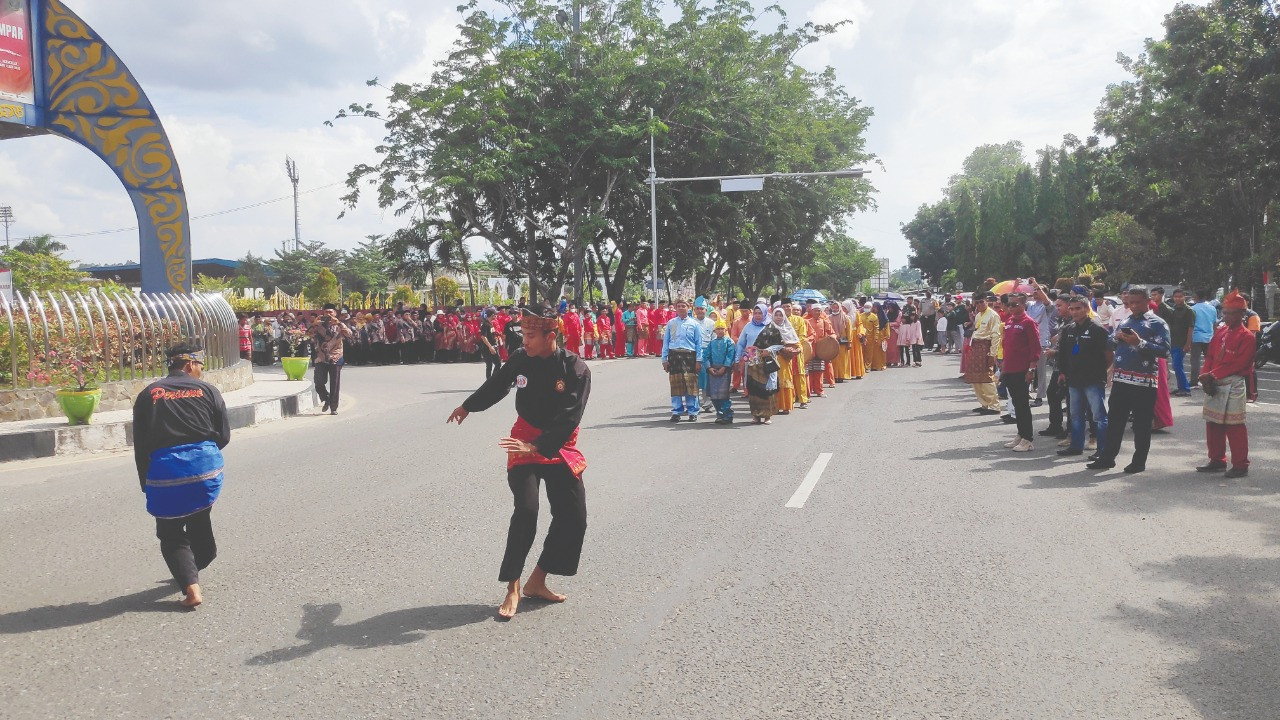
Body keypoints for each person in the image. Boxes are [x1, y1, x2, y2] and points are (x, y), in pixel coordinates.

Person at [447, 304, 591, 619]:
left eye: (529, 335)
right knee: (526, 511)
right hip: (521, 441)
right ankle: (512, 585)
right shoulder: (520, 360)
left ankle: (537, 580)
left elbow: (570, 417)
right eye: (523, 334)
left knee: (573, 517)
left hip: (556, 446)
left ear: (550, 335)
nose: (523, 340)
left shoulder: (576, 370)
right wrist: (468, 406)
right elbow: (497, 386)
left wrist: (537, 446)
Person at [131, 341, 231, 608]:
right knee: (200, 523)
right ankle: (196, 565)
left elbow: (141, 445)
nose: (201, 370)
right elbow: (223, 436)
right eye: (200, 365)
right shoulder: (208, 390)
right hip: (205, 471)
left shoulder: (148, 394)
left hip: (166, 474)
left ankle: (191, 587)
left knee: (170, 532)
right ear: (190, 364)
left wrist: (146, 483)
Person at [1087, 287, 1170, 473]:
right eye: (1130, 302)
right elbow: (1108, 343)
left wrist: (1139, 343)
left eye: (1137, 302)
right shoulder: (1126, 320)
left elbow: (1165, 351)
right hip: (1121, 379)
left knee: (1141, 425)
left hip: (1144, 382)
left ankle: (1139, 461)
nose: (1133, 306)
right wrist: (1116, 337)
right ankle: (1107, 457)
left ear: (1148, 301)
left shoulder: (1158, 323)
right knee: (1115, 422)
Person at [1197, 290, 1255, 478]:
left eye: (1230, 312)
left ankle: (1240, 464)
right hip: (1214, 382)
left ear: (1241, 314)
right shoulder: (1221, 331)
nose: (1226, 316)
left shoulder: (1247, 336)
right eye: (1225, 312)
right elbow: (1210, 356)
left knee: (1235, 426)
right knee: (1213, 423)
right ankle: (1217, 460)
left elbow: (1241, 364)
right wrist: (1204, 374)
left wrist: (1211, 375)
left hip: (1233, 384)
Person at [999, 293, 1042, 452]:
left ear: (1023, 305)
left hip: (1022, 370)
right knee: (1016, 404)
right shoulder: (1009, 322)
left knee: (1023, 405)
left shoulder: (1029, 323)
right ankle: (1021, 434)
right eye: (1009, 304)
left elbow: (1035, 349)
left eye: (1014, 304)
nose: (1010, 307)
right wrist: (1003, 368)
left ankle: (1028, 439)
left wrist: (1031, 369)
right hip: (1009, 369)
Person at [661, 299, 704, 422]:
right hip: (674, 356)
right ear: (675, 308)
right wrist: (664, 359)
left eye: (683, 306)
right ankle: (676, 411)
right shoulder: (671, 323)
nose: (680, 308)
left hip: (689, 356)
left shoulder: (694, 324)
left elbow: (698, 344)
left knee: (691, 385)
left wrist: (698, 360)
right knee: (676, 385)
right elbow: (666, 342)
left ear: (688, 307)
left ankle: (693, 411)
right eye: (678, 306)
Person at [736, 304, 780, 424]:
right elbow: (740, 343)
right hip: (751, 362)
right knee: (753, 388)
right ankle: (755, 415)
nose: (757, 315)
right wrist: (737, 359)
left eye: (760, 313)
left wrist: (769, 351)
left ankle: (767, 416)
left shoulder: (771, 326)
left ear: (765, 313)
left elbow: (779, 344)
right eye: (755, 313)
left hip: (766, 362)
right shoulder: (748, 327)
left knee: (766, 389)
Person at [310, 304, 353, 415]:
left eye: (330, 312)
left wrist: (338, 323)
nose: (328, 315)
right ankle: (326, 398)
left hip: (336, 356)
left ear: (335, 313)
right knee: (318, 382)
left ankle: (334, 407)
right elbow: (307, 335)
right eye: (326, 312)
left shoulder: (340, 325)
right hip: (321, 357)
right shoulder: (318, 325)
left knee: (335, 383)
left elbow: (349, 334)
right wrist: (314, 323)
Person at [966, 294, 1003, 415]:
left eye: (982, 302)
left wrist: (993, 354)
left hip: (985, 347)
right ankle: (984, 403)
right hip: (976, 347)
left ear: (987, 301)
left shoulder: (993, 315)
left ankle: (994, 405)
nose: (980, 305)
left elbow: (996, 335)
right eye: (977, 303)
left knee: (987, 376)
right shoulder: (978, 316)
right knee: (975, 377)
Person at [702, 321, 737, 424]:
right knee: (714, 395)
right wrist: (709, 368)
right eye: (718, 329)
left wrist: (725, 367)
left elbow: (730, 356)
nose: (720, 331)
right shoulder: (711, 343)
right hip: (713, 371)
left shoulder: (729, 342)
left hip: (724, 371)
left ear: (725, 330)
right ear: (714, 330)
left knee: (723, 395)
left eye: (722, 329)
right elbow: (705, 356)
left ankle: (727, 415)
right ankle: (720, 414)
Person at [1164, 289, 1195, 395]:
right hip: (1173, 341)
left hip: (1182, 342)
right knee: (1177, 365)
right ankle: (1181, 386)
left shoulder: (1189, 310)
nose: (1178, 299)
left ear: (1184, 297)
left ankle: (1185, 389)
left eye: (1180, 296)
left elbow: (1191, 328)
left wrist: (1188, 344)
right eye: (1176, 297)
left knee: (1176, 365)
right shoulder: (1173, 309)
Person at [1188, 289, 1218, 383]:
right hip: (1209, 337)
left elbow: (1190, 325)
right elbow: (1214, 324)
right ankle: (1210, 379)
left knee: (1195, 360)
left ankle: (1194, 381)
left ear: (1195, 297)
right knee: (1209, 360)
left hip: (1196, 337)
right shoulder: (1212, 308)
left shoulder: (1192, 309)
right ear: (1205, 297)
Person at [479, 310, 502, 379]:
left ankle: (493, 379)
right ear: (492, 315)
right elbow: (483, 336)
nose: (496, 316)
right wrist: (490, 347)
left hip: (494, 346)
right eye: (495, 315)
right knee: (489, 365)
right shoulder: (485, 324)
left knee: (498, 363)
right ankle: (488, 381)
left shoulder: (491, 324)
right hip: (487, 348)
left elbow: (491, 334)